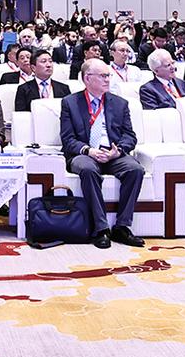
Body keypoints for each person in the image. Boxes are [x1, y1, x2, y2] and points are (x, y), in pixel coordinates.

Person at [59, 59, 146, 249]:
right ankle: (101, 229)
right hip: (85, 153)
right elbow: (68, 139)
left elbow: (130, 136)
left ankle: (122, 227)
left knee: (136, 170)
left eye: (108, 75)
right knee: (88, 170)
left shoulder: (120, 103)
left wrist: (118, 151)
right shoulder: (70, 103)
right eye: (103, 76)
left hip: (113, 152)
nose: (108, 79)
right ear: (87, 78)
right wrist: (89, 150)